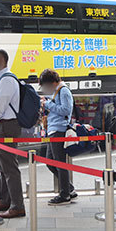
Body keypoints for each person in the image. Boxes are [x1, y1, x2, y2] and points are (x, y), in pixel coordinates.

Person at [0, 49, 25, 219]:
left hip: (6, 126)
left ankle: (17, 206)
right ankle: (5, 200)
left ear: (2, 60)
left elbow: (1, 107)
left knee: (9, 167)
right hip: (0, 125)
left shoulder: (7, 79)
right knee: (2, 165)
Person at [39, 68, 76, 206]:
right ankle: (69, 188)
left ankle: (65, 194)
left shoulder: (63, 91)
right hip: (53, 129)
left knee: (59, 163)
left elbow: (66, 110)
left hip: (59, 129)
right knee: (50, 161)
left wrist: (48, 104)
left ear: (53, 82)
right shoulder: (56, 91)